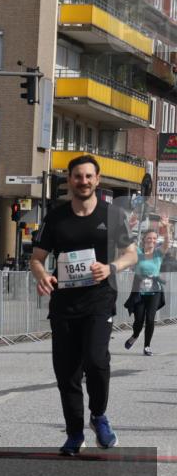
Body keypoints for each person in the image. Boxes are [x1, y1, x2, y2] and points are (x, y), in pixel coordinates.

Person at [30, 154, 137, 456]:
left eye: (89, 176)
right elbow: (37, 259)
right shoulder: (56, 217)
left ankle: (99, 416)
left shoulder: (112, 214)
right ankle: (75, 432)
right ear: (70, 180)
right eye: (78, 176)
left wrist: (111, 268)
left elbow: (131, 254)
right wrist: (42, 277)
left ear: (97, 179)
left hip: (98, 302)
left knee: (96, 361)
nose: (84, 181)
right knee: (67, 373)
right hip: (64, 304)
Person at [123, 217, 170, 355]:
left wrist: (166, 228)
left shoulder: (158, 254)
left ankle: (147, 346)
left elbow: (166, 242)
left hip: (155, 291)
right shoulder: (138, 253)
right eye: (149, 238)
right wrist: (129, 227)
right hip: (139, 291)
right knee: (138, 320)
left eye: (155, 239)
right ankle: (135, 335)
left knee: (150, 318)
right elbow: (126, 242)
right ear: (144, 240)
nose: (152, 241)